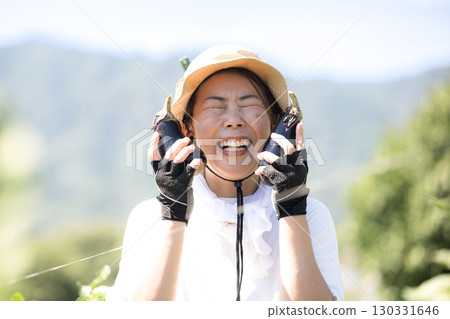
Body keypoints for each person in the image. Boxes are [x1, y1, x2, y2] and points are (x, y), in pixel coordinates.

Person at [108, 45, 344, 301]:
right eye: (215, 106)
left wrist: (292, 208)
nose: (234, 120)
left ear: (277, 124)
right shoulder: (149, 218)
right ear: (187, 129)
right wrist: (173, 212)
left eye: (249, 104)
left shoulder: (310, 217)